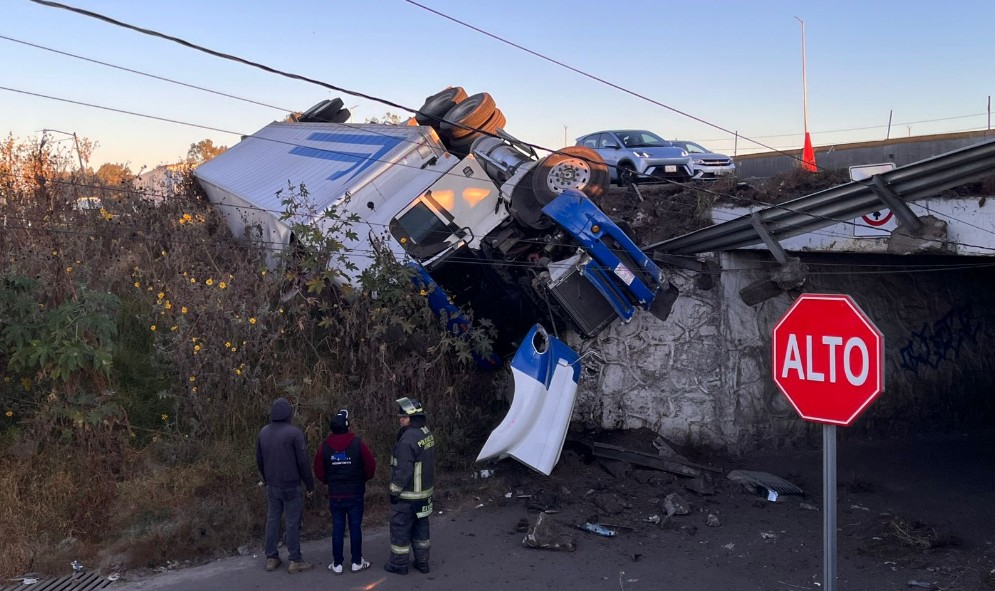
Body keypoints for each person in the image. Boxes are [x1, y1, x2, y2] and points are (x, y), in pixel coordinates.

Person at [313, 409, 377, 575]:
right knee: (355, 527)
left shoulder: (324, 447)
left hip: (335, 494)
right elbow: (371, 465)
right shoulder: (357, 443)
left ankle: (337, 563)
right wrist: (363, 478)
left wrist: (329, 481)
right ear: (347, 426)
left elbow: (319, 471)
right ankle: (357, 562)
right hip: (355, 493)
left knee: (337, 528)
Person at [256, 397, 315, 574]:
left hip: (272, 485)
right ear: (288, 413)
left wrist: (267, 479)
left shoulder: (263, 432)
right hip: (291, 484)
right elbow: (303, 461)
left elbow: (259, 460)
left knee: (272, 520)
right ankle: (295, 560)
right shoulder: (294, 433)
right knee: (292, 521)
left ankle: (271, 557)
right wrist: (309, 484)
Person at [384, 397, 435, 575]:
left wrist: (394, 491)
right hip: (424, 495)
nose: (400, 419)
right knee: (421, 529)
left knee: (400, 530)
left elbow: (403, 470)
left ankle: (398, 565)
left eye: (404, 417)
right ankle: (422, 563)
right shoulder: (425, 432)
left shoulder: (407, 441)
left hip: (408, 496)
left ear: (412, 418)